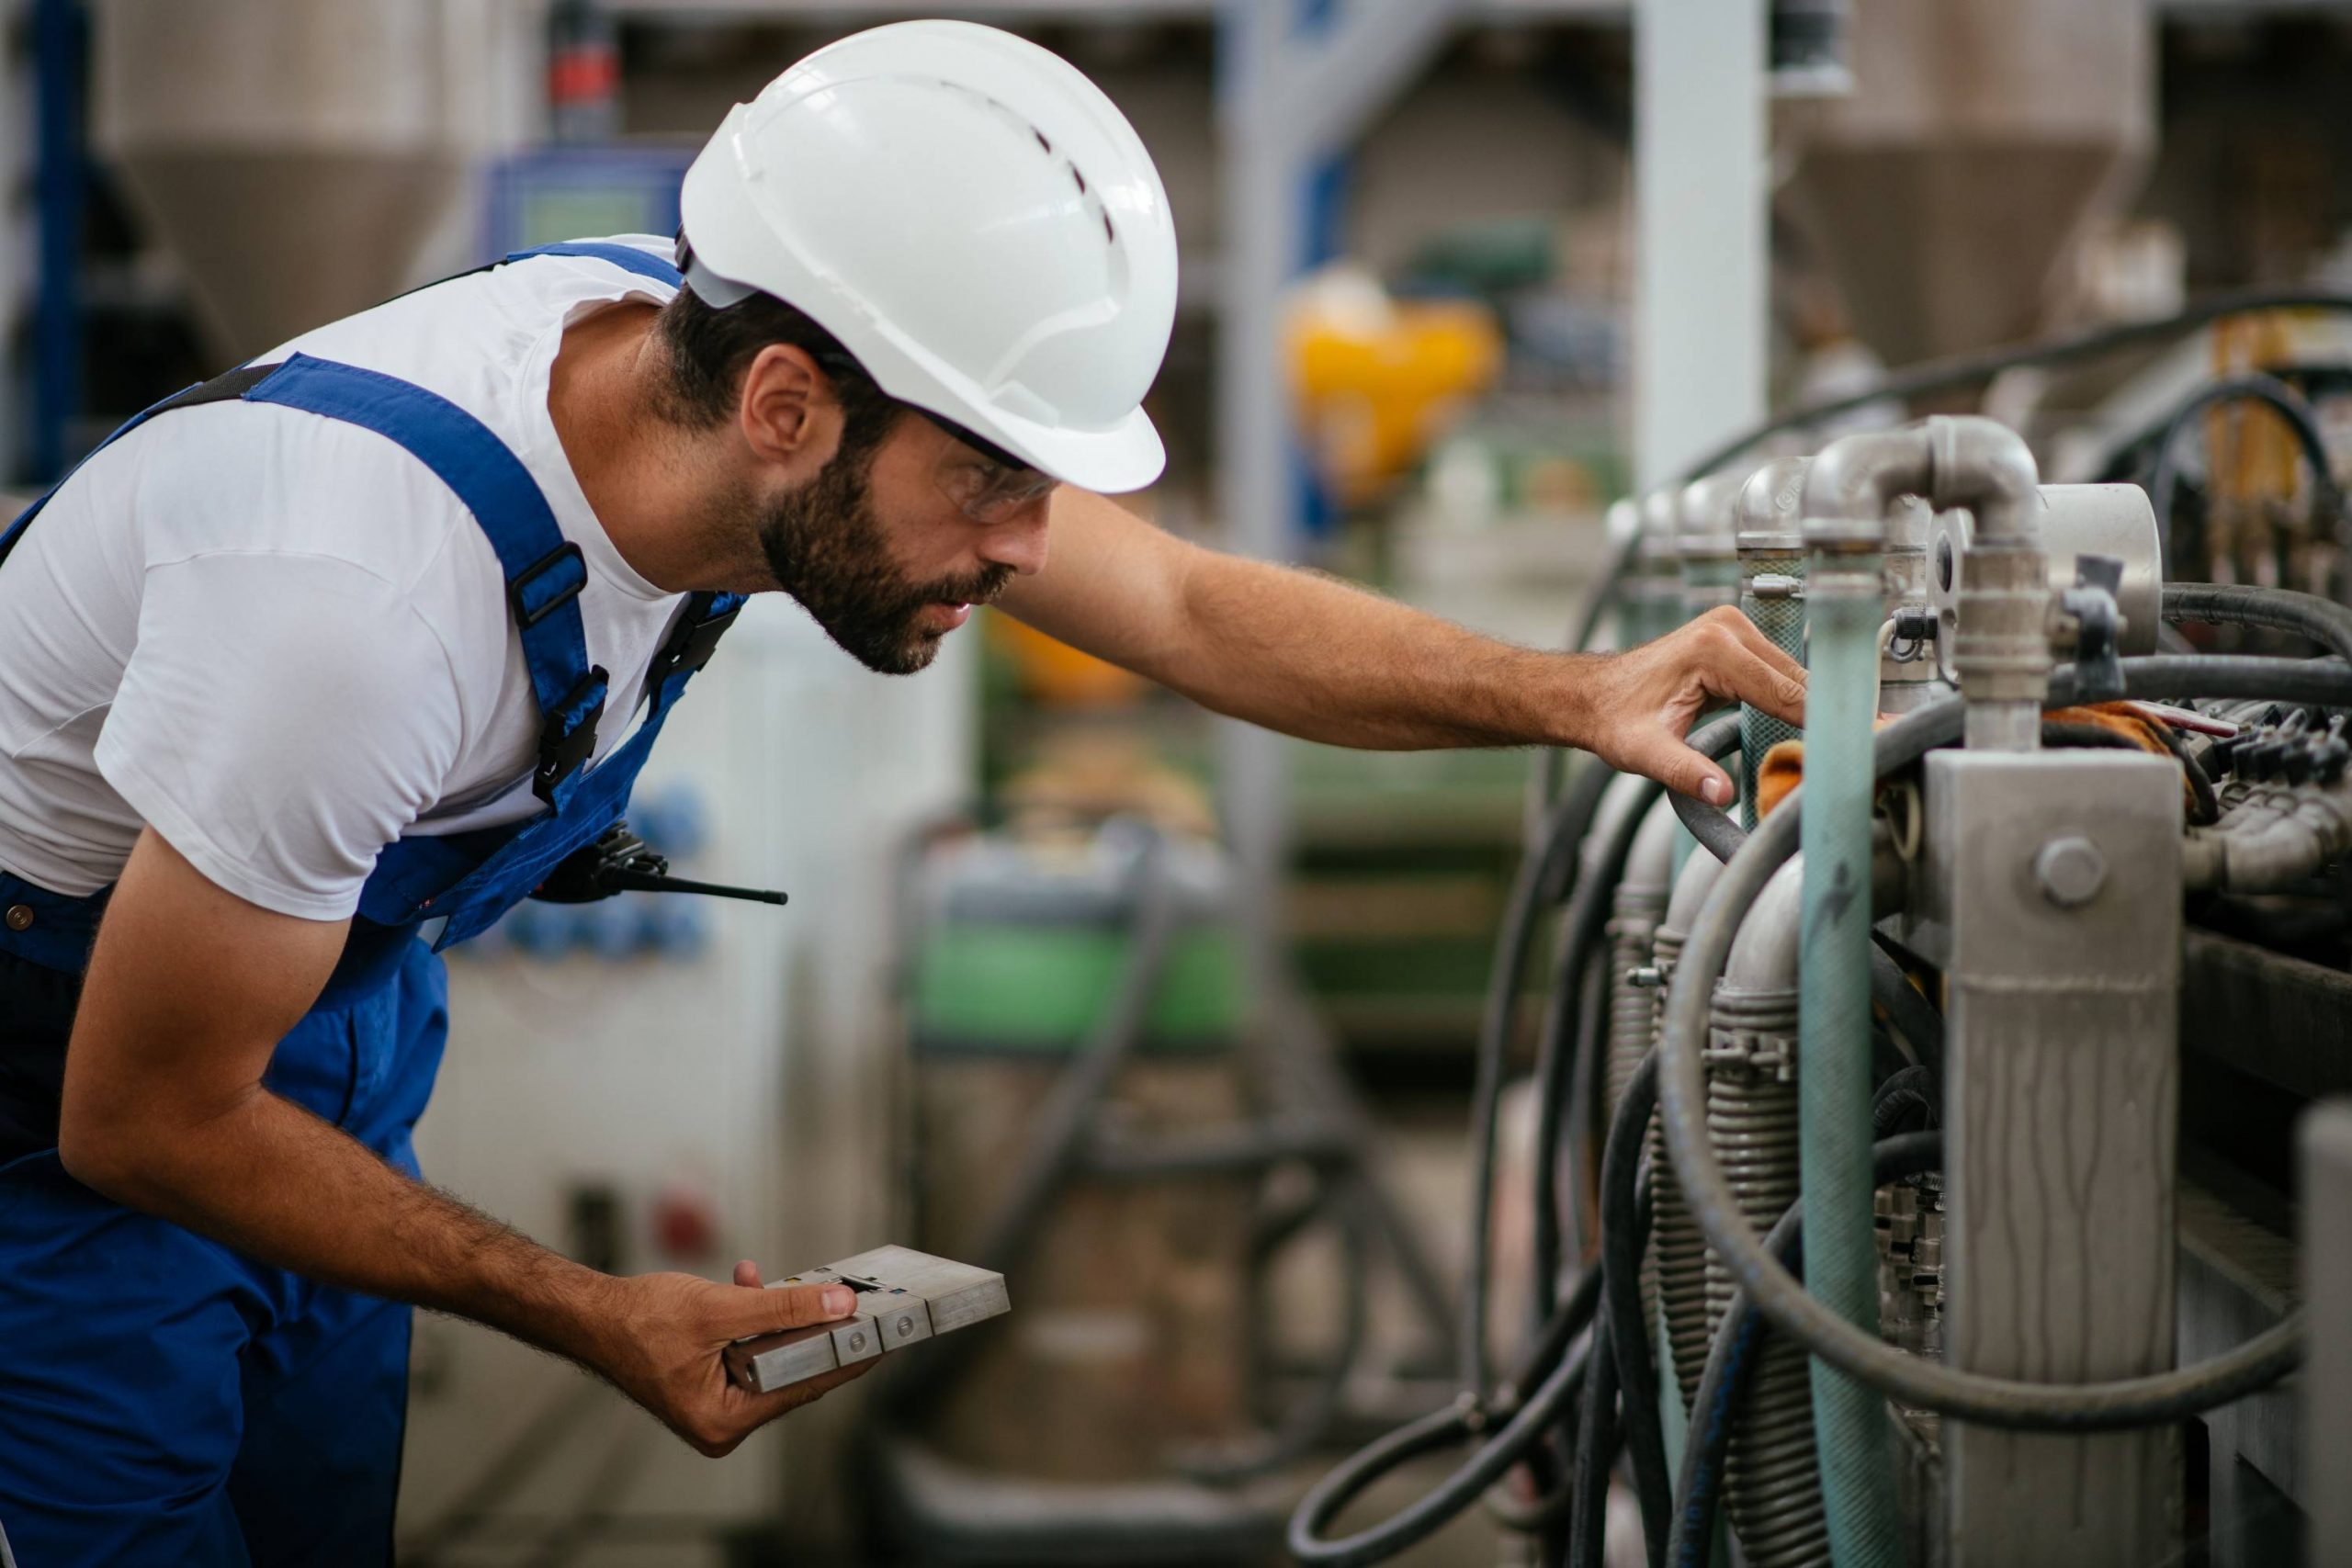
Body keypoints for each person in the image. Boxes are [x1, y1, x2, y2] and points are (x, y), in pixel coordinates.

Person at [0, 19, 1804, 1566]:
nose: (1027, 550)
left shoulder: (706, 368)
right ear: (785, 405)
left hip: (314, 1017)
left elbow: (1172, 600)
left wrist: (1571, 692)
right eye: (989, 483)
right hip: (82, 1094)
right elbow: (144, 1119)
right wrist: (601, 1311)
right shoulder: (360, 609)